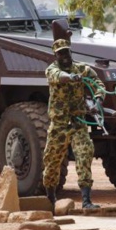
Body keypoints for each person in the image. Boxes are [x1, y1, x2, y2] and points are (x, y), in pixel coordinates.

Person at [43, 39, 104, 210]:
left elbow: (98, 83)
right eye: (60, 53)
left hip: (78, 122)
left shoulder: (83, 69)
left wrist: (97, 101)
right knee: (52, 161)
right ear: (55, 55)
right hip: (59, 124)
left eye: (66, 52)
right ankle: (50, 198)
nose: (64, 56)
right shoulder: (52, 69)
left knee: (85, 154)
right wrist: (70, 77)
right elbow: (57, 77)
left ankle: (86, 200)